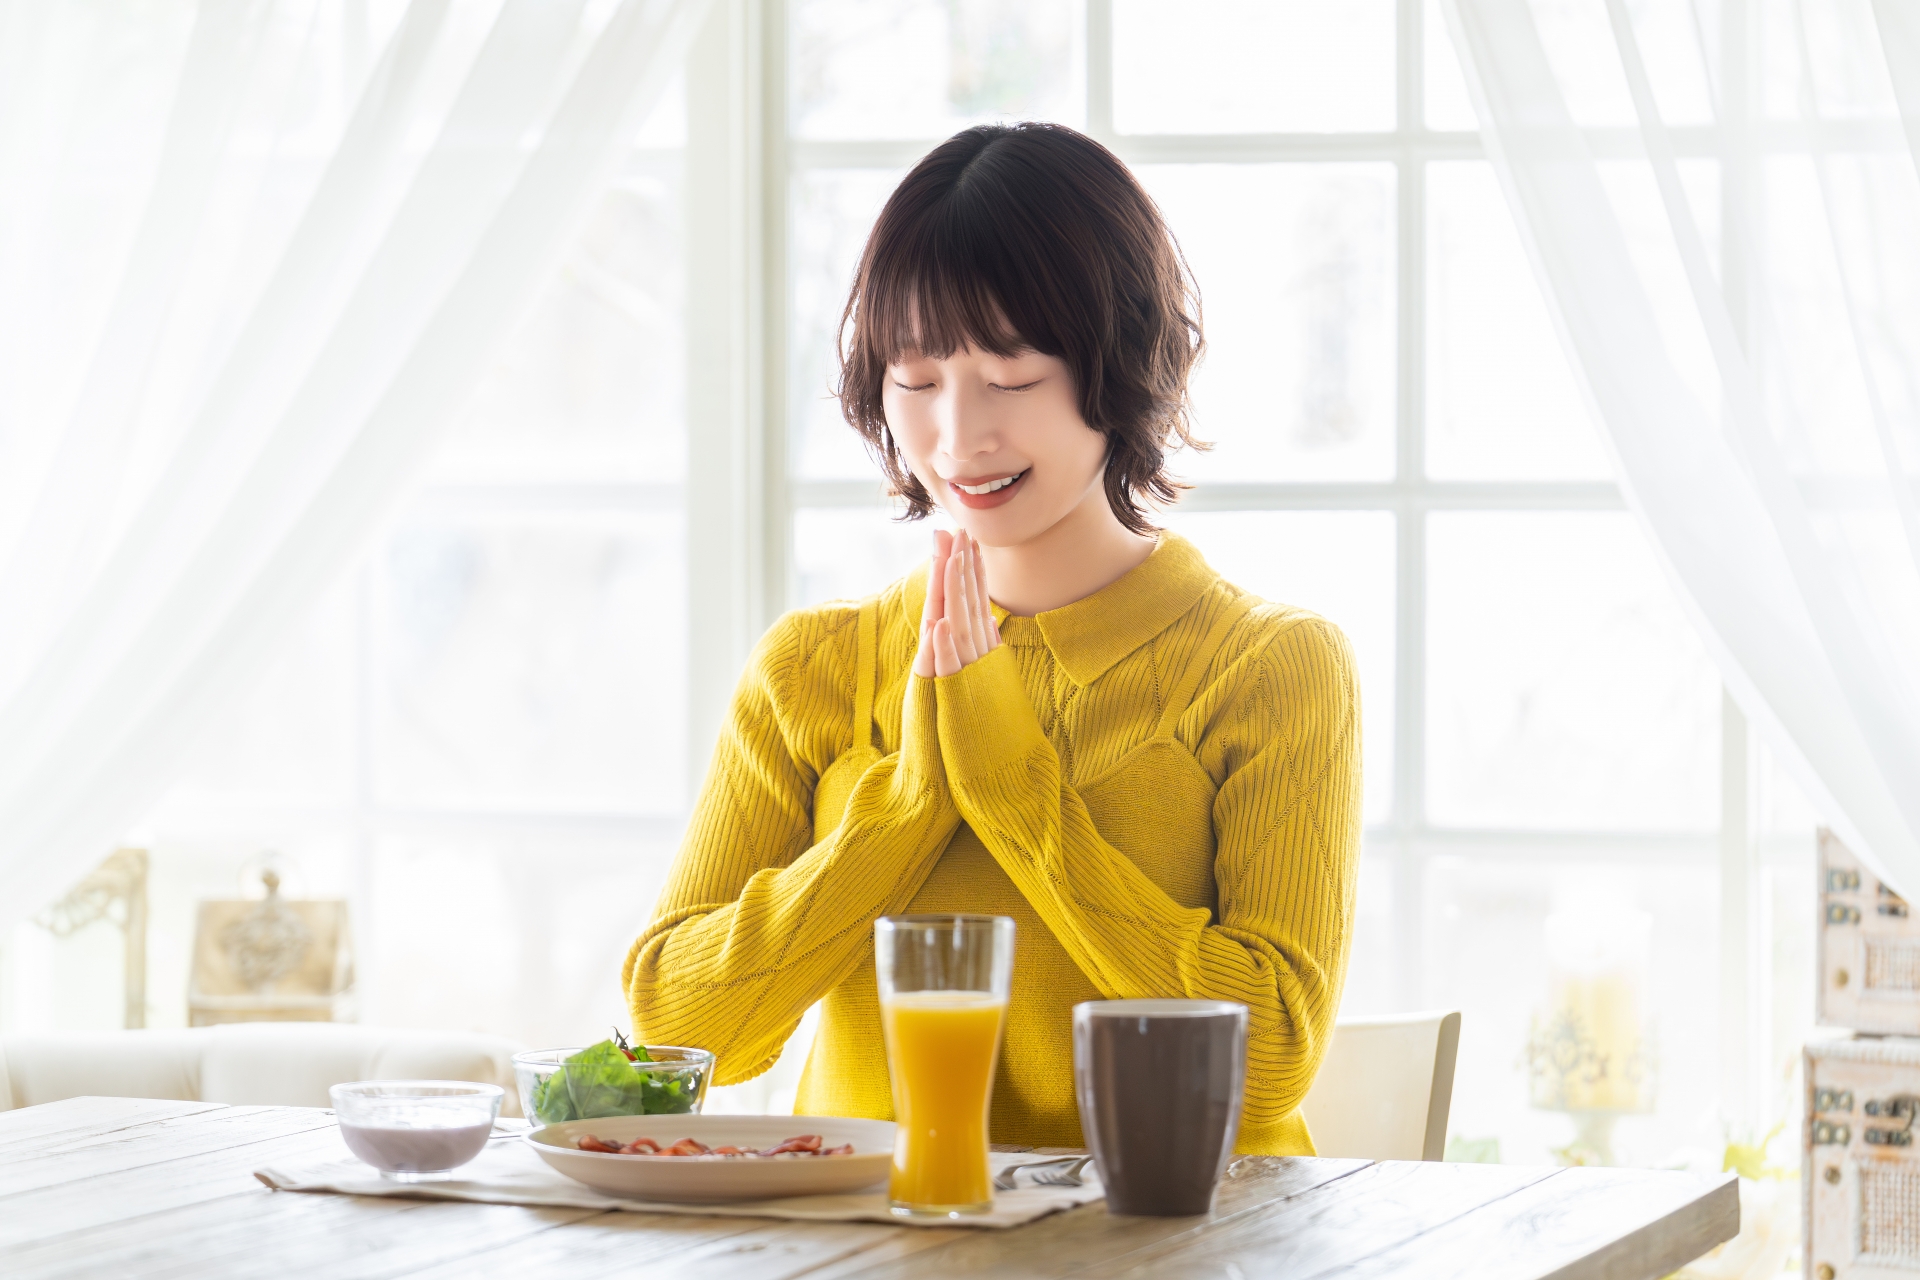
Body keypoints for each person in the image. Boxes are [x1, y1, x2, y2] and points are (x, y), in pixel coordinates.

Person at [624, 121, 1361, 1155]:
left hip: (1175, 1233)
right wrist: (910, 805)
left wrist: (1015, 794)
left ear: (1118, 361)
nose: (957, 437)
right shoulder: (813, 668)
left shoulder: (1272, 667)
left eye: (1009, 377)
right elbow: (679, 1032)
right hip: (876, 1231)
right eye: (915, 380)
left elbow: (1271, 1058)